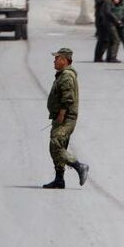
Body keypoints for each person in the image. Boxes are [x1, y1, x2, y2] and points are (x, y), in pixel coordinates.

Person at [43, 47, 89, 189]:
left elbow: (68, 99)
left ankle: (79, 166)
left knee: (56, 144)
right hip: (60, 117)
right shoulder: (62, 74)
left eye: (57, 58)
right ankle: (59, 179)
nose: (54, 61)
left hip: (65, 118)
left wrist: (61, 115)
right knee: (57, 146)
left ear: (64, 60)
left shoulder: (67, 76)